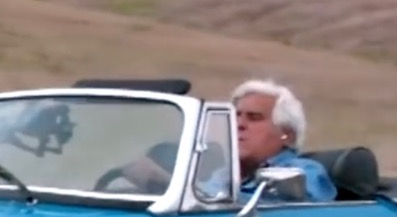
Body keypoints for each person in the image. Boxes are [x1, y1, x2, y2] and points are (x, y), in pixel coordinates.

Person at [115, 78, 338, 203]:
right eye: (234, 116)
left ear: (286, 134)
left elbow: (284, 212)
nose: (238, 124)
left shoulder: (304, 172)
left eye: (254, 118)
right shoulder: (223, 176)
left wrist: (161, 182)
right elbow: (196, 203)